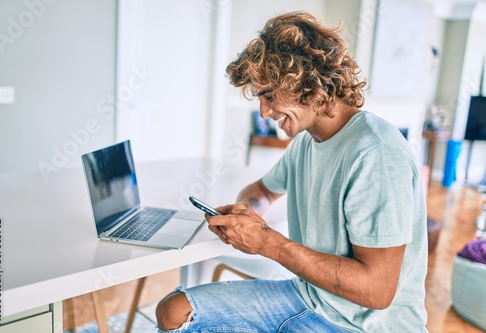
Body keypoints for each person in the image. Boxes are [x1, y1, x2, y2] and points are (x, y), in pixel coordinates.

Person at [155, 11, 428, 332]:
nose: (264, 111)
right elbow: (262, 191)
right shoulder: (308, 141)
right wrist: (248, 213)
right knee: (174, 311)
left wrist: (267, 243)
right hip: (311, 297)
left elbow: (377, 290)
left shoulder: (376, 153)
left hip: (364, 325)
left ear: (308, 82)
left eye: (269, 95)